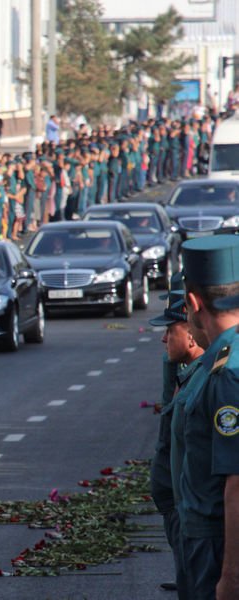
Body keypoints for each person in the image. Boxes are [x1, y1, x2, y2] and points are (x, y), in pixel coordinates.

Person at [173, 235, 239, 598]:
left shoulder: (229, 370)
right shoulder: (222, 356)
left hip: (215, 544)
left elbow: (237, 481)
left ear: (194, 302)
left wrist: (231, 577)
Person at [149, 273, 204, 596]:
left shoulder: (210, 379)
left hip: (189, 511)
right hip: (177, 506)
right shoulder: (187, 375)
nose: (163, 339)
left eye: (171, 331)